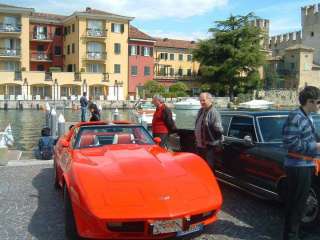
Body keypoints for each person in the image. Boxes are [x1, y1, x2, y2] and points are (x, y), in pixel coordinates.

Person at [282, 86, 320, 240]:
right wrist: (316, 146)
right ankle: (291, 236)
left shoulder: (307, 116)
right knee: (296, 204)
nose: (319, 106)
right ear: (309, 101)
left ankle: (294, 232)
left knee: (300, 203)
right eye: (318, 102)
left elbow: (310, 137)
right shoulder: (296, 117)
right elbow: (290, 143)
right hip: (298, 167)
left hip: (306, 165)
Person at [194, 92, 223, 169]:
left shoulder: (214, 112)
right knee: (200, 166)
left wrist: (216, 143)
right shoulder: (201, 110)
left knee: (208, 167)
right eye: (200, 100)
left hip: (209, 146)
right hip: (199, 145)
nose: (201, 102)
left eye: (203, 100)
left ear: (210, 100)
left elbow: (219, 130)